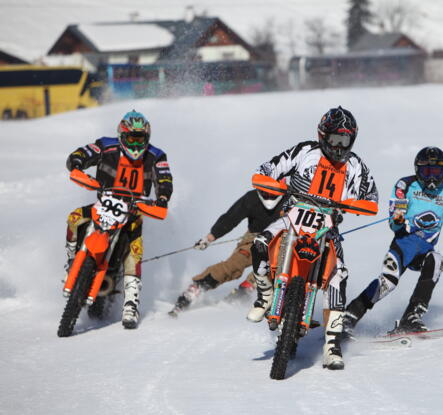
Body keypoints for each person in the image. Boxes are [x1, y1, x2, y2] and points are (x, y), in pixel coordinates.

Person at [248, 106, 378, 370]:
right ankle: (265, 294)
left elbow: (372, 196)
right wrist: (269, 181)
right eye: (334, 139)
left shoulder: (355, 166)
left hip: (327, 225)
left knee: (338, 274)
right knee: (260, 243)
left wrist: (360, 204)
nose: (339, 146)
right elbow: (268, 168)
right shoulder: (304, 151)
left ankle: (332, 345)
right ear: (322, 135)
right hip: (293, 214)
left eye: (344, 141)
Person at [343, 147, 443, 335]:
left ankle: (411, 317)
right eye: (426, 172)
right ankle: (348, 316)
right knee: (388, 282)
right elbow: (394, 223)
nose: (432, 178)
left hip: (425, 250)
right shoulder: (405, 185)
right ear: (417, 170)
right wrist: (397, 219)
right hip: (403, 247)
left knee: (436, 261)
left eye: (436, 172)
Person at [64, 110, 173, 329]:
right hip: (104, 203)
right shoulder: (106, 145)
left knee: (135, 251)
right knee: (74, 218)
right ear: (122, 135)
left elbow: (165, 179)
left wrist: (162, 198)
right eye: (131, 138)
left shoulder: (156, 156)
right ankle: (71, 259)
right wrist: (76, 162)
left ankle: (131, 304)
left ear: (147, 138)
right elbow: (84, 153)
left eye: (140, 139)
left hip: (134, 210)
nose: (136, 143)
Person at [168, 187, 286, 317]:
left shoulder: (290, 200)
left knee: (274, 265)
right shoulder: (252, 198)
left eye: (273, 194)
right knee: (234, 265)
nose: (269, 196)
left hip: (283, 241)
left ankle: (247, 288)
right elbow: (231, 217)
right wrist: (210, 237)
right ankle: (198, 286)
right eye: (265, 192)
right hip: (254, 239)